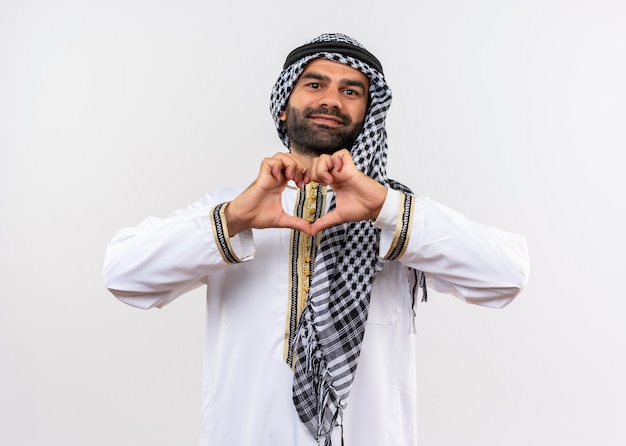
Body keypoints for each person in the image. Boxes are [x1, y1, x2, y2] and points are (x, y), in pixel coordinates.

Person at [103, 33, 529, 446]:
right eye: (314, 84)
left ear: (367, 113)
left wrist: (385, 208)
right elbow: (122, 274)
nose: (331, 99)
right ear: (285, 107)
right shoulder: (231, 209)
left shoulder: (396, 214)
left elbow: (507, 275)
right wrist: (234, 219)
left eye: (351, 91)